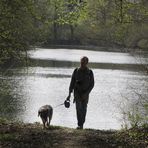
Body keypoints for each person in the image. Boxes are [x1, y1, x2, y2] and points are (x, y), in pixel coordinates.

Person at [67, 56, 94, 129]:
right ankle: (80, 124)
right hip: (77, 93)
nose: (82, 63)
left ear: (87, 63)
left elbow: (92, 84)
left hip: (85, 94)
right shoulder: (76, 71)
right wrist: (69, 94)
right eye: (81, 62)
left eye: (84, 62)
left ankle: (82, 124)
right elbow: (72, 83)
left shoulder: (90, 72)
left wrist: (86, 93)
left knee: (84, 109)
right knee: (78, 108)